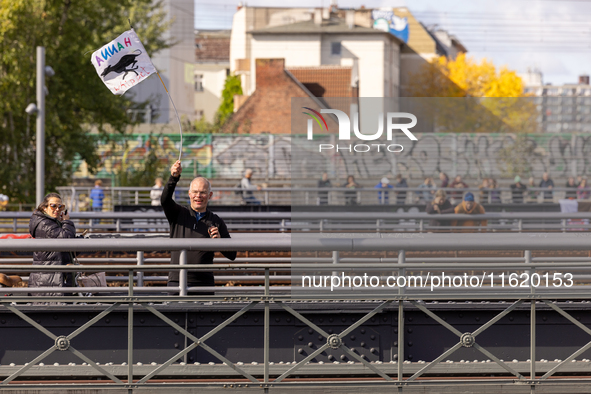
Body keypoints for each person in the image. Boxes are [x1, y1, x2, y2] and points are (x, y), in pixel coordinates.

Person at [162, 160, 237, 295]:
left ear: (210, 195)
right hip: (177, 281)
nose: (198, 196)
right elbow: (165, 200)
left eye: (202, 192)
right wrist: (174, 178)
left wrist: (220, 242)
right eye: (195, 192)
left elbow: (232, 255)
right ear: (189, 194)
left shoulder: (216, 220)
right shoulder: (178, 213)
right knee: (172, 316)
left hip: (204, 284)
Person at [28, 193, 76, 296]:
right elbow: (66, 239)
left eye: (60, 206)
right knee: (50, 310)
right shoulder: (45, 223)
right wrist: (67, 222)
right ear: (44, 207)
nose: (57, 209)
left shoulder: (51, 222)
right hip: (48, 281)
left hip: (51, 277)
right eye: (53, 205)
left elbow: (65, 244)